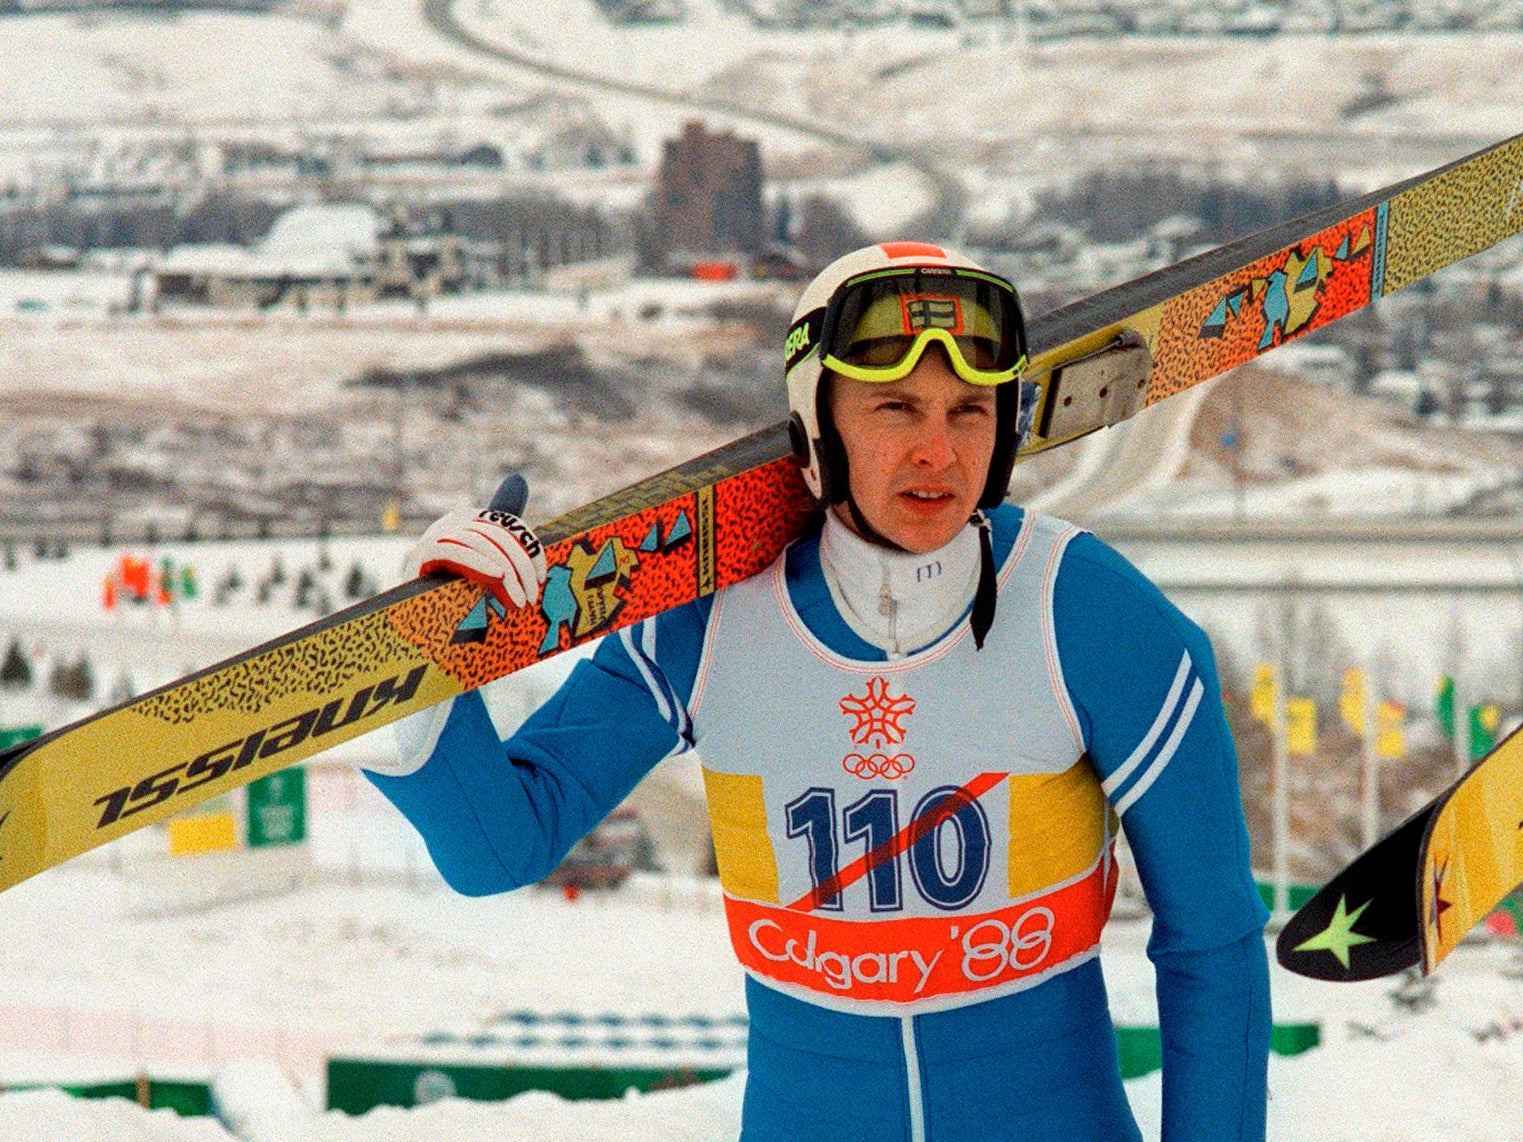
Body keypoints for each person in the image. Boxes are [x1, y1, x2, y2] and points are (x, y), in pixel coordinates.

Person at [366, 242, 1271, 1141]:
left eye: (968, 412)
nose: (937, 451)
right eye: (895, 407)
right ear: (818, 426)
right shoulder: (711, 622)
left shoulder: (1090, 618)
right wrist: (427, 658)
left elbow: (1213, 941)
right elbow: (498, 845)